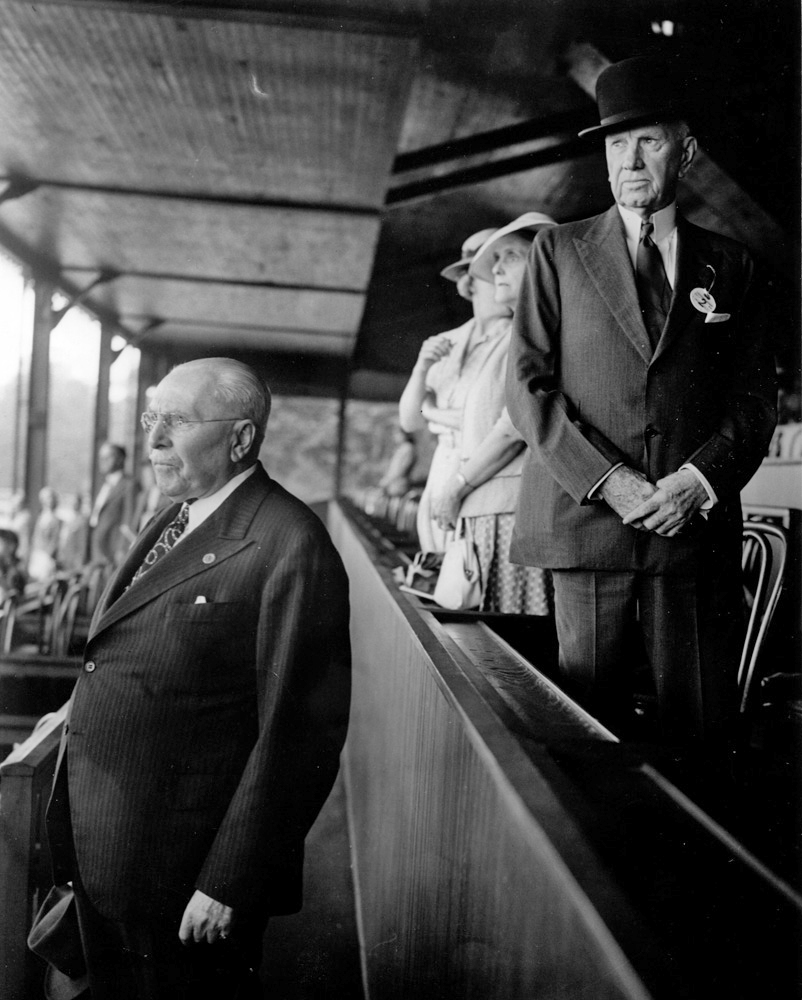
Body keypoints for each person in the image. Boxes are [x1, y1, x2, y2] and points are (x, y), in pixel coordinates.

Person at [43, 357, 352, 999]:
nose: (153, 438)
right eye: (152, 417)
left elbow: (299, 739)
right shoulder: (178, 513)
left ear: (240, 438)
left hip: (184, 880)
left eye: (176, 422)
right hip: (110, 853)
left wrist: (228, 883)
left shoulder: (291, 544)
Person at [505, 56, 776, 743]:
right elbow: (527, 387)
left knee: (699, 732)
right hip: (588, 526)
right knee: (585, 730)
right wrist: (609, 482)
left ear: (684, 154)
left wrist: (696, 481)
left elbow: (753, 402)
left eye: (648, 141)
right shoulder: (558, 251)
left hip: (690, 534)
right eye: (615, 144)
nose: (629, 160)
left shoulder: (734, 265)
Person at [426, 214, 557, 615]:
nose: (495, 269)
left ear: (541, 262)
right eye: (493, 260)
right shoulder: (515, 333)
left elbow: (513, 425)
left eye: (510, 257)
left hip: (508, 511)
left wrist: (457, 485)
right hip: (487, 510)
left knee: (506, 644)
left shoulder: (537, 331)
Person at [398, 227, 509, 554]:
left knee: (472, 574)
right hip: (442, 469)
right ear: (469, 282)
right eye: (488, 270)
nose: (501, 276)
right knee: (439, 565)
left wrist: (432, 411)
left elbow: (496, 421)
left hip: (486, 472)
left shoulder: (521, 337)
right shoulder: (449, 340)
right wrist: (421, 369)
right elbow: (409, 421)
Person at [88, 442, 135, 566]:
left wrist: (121, 550)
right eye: (101, 457)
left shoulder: (129, 485)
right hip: (98, 550)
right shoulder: (103, 485)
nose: (102, 461)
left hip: (114, 552)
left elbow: (129, 520)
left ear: (120, 459)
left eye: (107, 457)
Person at [28, 486, 62, 582]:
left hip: (46, 557)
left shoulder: (56, 520)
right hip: (37, 554)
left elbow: (55, 541)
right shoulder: (41, 516)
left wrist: (48, 555)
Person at [378, 426, 417, 498]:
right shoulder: (401, 448)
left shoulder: (408, 448)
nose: (395, 437)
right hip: (392, 486)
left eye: (397, 434)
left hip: (399, 486)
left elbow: (400, 470)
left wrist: (386, 481)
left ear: (404, 434)